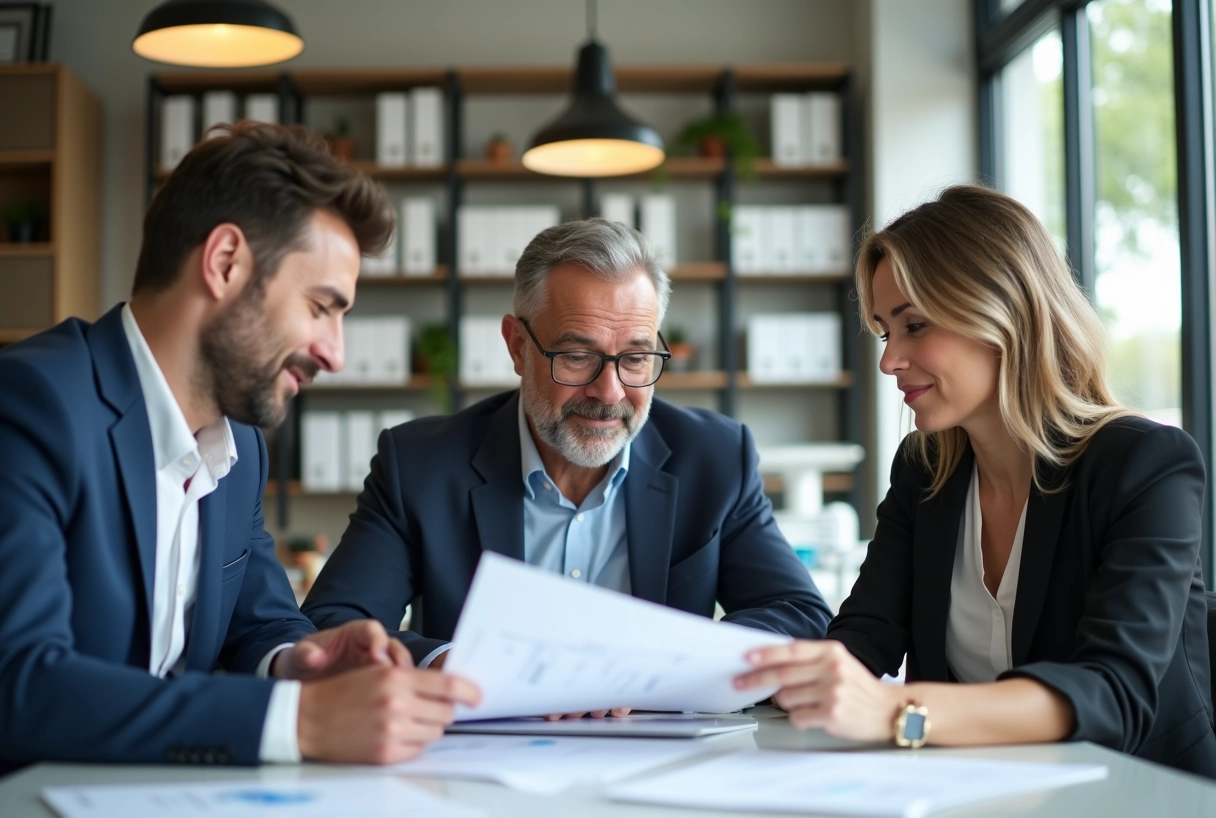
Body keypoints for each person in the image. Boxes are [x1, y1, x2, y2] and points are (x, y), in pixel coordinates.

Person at [0, 121, 478, 772]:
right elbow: (20, 684)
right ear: (225, 263)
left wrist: (303, 664)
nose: (334, 354)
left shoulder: (240, 447)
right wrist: (298, 721)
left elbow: (261, 623)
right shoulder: (32, 404)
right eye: (320, 307)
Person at [735, 185, 1216, 778]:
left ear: (1002, 314)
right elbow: (864, 637)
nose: (889, 361)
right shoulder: (924, 469)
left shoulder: (1145, 464)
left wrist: (896, 712)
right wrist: (697, 675)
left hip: (1139, 799)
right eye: (887, 331)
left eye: (914, 325)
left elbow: (1112, 694)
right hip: (967, 797)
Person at [303, 218, 832, 716]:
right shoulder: (420, 465)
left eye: (635, 357)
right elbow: (332, 624)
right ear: (516, 346)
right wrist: (448, 665)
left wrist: (663, 660)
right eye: (577, 356)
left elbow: (800, 615)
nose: (610, 392)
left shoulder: (714, 457)